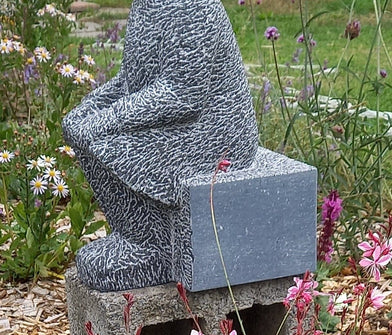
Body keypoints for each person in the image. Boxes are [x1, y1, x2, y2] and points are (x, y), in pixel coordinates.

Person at [62, 0, 259, 291]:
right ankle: (132, 236)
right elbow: (130, 82)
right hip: (185, 118)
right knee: (81, 125)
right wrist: (90, 110)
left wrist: (108, 119)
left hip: (215, 136)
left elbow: (184, 95)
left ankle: (152, 248)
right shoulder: (148, 5)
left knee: (103, 138)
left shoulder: (194, 7)